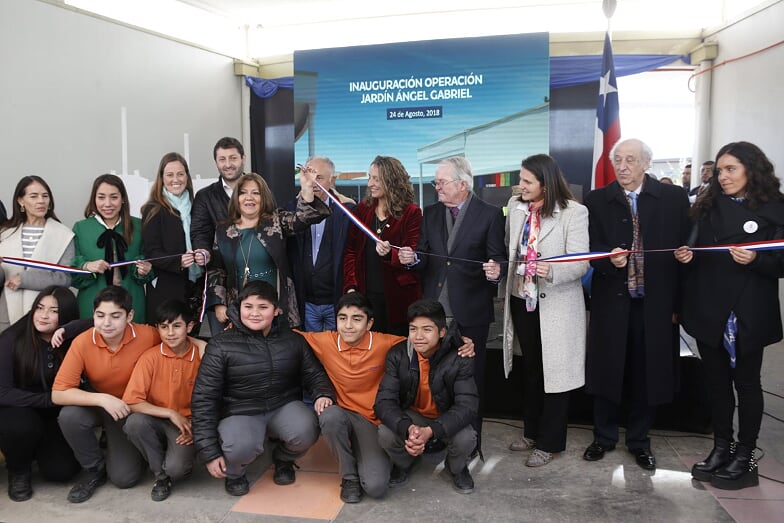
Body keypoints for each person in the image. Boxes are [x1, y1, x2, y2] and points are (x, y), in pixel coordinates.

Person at [675, 142, 784, 490]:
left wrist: (758, 260)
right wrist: (686, 256)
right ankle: (721, 447)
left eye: (730, 169)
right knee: (716, 384)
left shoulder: (776, 208)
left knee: (748, 384)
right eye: (720, 170)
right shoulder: (707, 206)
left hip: (748, 310)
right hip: (710, 308)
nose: (722, 177)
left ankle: (746, 454)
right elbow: (692, 247)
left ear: (751, 169)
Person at [582, 138, 690, 471]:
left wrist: (678, 306)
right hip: (611, 302)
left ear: (647, 163)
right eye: (618, 160)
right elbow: (589, 248)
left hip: (654, 305)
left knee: (648, 372)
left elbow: (683, 254)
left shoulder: (673, 198)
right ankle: (603, 437)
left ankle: (640, 441)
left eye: (631, 160)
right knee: (607, 370)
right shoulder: (598, 200)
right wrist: (606, 261)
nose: (623, 166)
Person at [398, 156, 505, 449]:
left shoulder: (490, 214)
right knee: (435, 379)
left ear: (462, 184)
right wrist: (412, 259)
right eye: (436, 182)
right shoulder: (430, 213)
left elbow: (498, 258)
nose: (437, 188)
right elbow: (423, 255)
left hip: (471, 312)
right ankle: (438, 438)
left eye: (442, 182)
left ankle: (470, 443)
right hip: (435, 312)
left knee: (470, 382)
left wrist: (496, 271)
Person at [191, 281, 336, 496]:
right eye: (248, 307)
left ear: (277, 310)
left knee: (307, 429)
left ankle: (283, 458)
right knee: (240, 446)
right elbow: (204, 398)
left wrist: (322, 393)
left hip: (282, 405)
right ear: (238, 308)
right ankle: (235, 472)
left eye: (263, 307)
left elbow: (314, 374)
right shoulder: (221, 344)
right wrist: (209, 452)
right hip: (240, 410)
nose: (254, 313)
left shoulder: (293, 339)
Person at [501, 154, 589, 467]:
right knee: (532, 368)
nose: (520, 186)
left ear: (545, 183)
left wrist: (549, 270)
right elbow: (510, 251)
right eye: (520, 179)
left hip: (557, 307)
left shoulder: (574, 213)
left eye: (527, 181)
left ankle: (550, 443)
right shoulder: (515, 208)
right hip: (522, 301)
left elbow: (581, 263)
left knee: (556, 372)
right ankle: (531, 431)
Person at [52, 285, 161, 503]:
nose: (106, 323)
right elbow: (58, 393)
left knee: (124, 478)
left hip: (128, 410)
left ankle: (127, 450)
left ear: (129, 316)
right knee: (69, 416)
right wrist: (102, 398)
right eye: (100, 315)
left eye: (115, 316)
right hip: (100, 403)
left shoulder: (148, 335)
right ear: (93, 315)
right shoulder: (83, 342)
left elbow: (176, 340)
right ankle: (93, 468)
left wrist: (200, 344)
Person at [374, 299, 478, 494]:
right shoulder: (398, 355)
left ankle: (456, 468)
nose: (418, 336)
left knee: (467, 438)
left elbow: (467, 405)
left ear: (442, 332)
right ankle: (405, 463)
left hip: (445, 415)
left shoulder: (460, 356)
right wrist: (409, 428)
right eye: (413, 329)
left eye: (427, 330)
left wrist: (430, 431)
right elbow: (384, 401)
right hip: (414, 415)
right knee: (384, 433)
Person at [207, 171, 328, 330]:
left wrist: (306, 188)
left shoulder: (276, 221)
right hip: (240, 309)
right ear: (236, 198)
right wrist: (219, 304)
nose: (249, 197)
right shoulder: (223, 230)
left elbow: (303, 218)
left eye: (255, 193)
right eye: (243, 193)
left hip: (278, 307)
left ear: (263, 198)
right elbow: (217, 269)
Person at [0, 286, 83, 501]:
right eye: (40, 308)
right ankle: (18, 470)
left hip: (54, 415)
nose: (44, 315)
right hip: (19, 409)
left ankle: (36, 449)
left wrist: (71, 328)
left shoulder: (71, 338)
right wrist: (50, 399)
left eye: (54, 311)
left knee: (62, 472)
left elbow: (99, 324)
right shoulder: (11, 338)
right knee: (20, 427)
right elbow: (2, 392)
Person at [123, 299, 205, 501]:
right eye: (164, 327)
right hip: (158, 419)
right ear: (157, 329)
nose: (170, 333)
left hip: (188, 424)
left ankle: (175, 461)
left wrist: (196, 425)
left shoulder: (202, 355)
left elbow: (216, 399)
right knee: (134, 423)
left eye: (177, 326)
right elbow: (132, 402)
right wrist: (170, 413)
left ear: (190, 326)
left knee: (177, 470)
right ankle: (160, 477)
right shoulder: (150, 357)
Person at [343, 155, 422, 335]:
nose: (370, 183)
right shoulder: (363, 209)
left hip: (399, 300)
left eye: (376, 179)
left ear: (391, 180)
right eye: (370, 177)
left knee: (397, 352)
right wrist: (351, 285)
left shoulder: (412, 212)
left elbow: (412, 252)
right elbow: (350, 251)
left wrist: (390, 255)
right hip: (367, 298)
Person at [70, 174, 154, 323]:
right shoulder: (81, 228)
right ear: (94, 199)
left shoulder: (139, 226)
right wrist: (87, 266)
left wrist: (144, 270)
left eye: (113, 197)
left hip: (132, 301)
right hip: (92, 303)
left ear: (123, 199)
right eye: (101, 197)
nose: (107, 204)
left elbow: (149, 261)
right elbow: (72, 270)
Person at [286, 156, 355, 332]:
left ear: (332, 180)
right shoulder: (291, 210)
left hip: (336, 301)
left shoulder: (346, 212)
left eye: (320, 178)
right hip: (305, 302)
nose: (313, 183)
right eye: (309, 177)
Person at [141, 153, 210, 326]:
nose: (176, 179)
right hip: (167, 287)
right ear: (161, 178)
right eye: (170, 175)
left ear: (187, 176)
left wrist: (203, 253)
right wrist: (178, 261)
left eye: (180, 174)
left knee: (194, 336)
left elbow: (206, 236)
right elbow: (151, 252)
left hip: (198, 285)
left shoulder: (198, 205)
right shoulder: (153, 209)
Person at [0, 176, 75, 332]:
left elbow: (65, 278)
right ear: (21, 201)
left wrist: (25, 279)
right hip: (6, 310)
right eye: (33, 196)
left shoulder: (63, 234)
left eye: (45, 196)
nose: (41, 201)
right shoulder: (5, 233)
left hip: (46, 315)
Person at [191, 137, 245, 336]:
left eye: (233, 158)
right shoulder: (205, 196)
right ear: (216, 162)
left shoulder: (258, 190)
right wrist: (203, 250)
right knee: (222, 346)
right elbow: (200, 231)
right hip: (220, 279)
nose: (228, 164)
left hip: (254, 278)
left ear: (243, 158)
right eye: (222, 159)